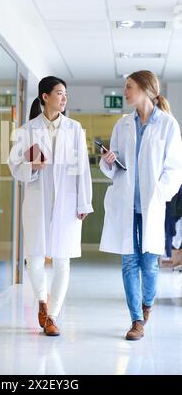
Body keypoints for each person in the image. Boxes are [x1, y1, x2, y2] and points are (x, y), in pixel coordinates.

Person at [99, 70, 182, 341]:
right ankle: (136, 320)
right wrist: (109, 161)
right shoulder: (122, 125)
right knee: (128, 262)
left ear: (146, 90)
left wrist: (158, 193)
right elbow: (113, 166)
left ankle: (147, 304)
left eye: (129, 87)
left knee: (150, 264)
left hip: (152, 205)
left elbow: (174, 170)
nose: (125, 92)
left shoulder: (168, 125)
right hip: (126, 204)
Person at [9, 76, 93, 336]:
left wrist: (84, 202)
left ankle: (53, 315)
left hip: (67, 202)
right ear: (45, 97)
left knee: (62, 260)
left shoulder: (75, 129)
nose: (64, 98)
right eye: (59, 93)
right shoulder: (26, 130)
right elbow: (14, 166)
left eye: (65, 93)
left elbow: (82, 171)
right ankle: (42, 302)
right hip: (37, 199)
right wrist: (31, 167)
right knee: (34, 257)